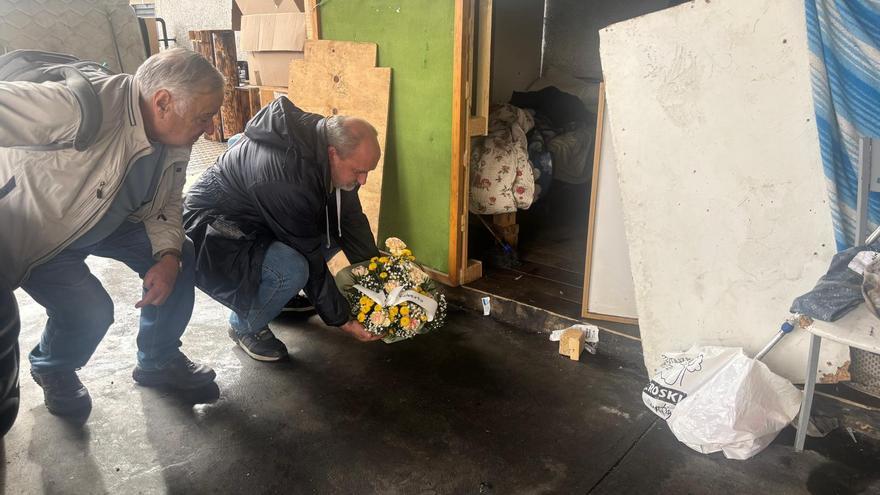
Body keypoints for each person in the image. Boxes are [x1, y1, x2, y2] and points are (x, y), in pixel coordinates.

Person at [0, 48, 222, 420]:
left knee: (179, 252)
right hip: (45, 236)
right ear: (163, 102)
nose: (210, 129)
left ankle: (157, 358)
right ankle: (53, 366)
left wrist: (167, 257)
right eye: (204, 117)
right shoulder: (79, 106)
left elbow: (167, 202)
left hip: (110, 222)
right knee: (91, 311)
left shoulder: (176, 139)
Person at [184, 97, 383, 362]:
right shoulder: (286, 177)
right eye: (359, 172)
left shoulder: (323, 144)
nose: (363, 181)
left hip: (255, 219)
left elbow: (351, 220)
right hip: (210, 227)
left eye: (367, 172)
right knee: (292, 270)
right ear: (333, 153)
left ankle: (277, 299)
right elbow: (310, 254)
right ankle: (244, 325)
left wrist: (377, 275)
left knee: (319, 240)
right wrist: (343, 320)